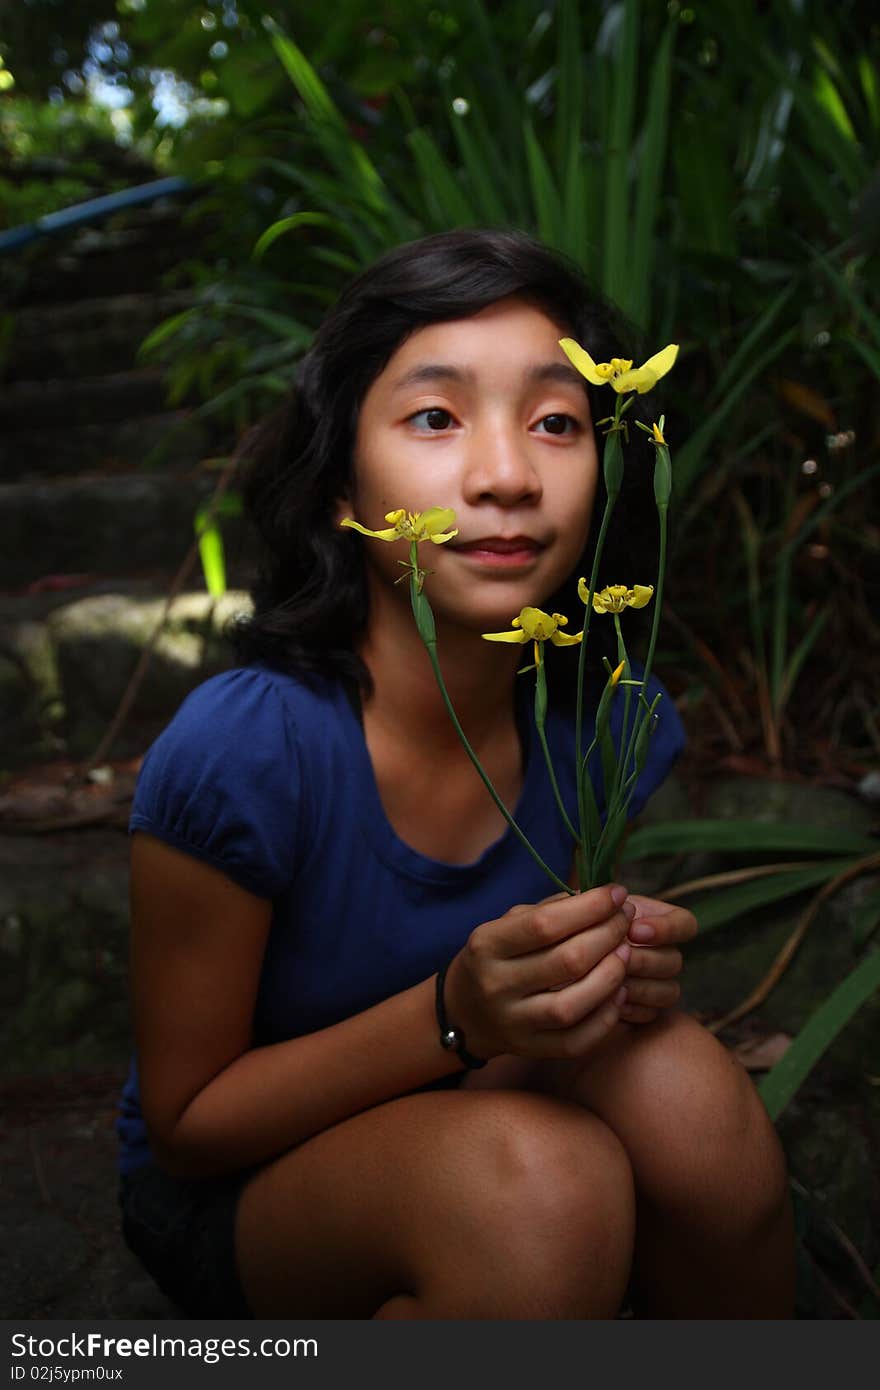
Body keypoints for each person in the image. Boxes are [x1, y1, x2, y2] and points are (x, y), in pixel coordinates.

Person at [117, 228, 795, 1320]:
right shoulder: (245, 751)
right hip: (236, 1185)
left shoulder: (606, 721)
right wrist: (457, 1014)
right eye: (434, 417)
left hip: (470, 1088)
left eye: (556, 422)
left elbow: (537, 996)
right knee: (542, 1189)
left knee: (690, 1100)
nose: (505, 476)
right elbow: (188, 1126)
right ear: (341, 486)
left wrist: (593, 969)